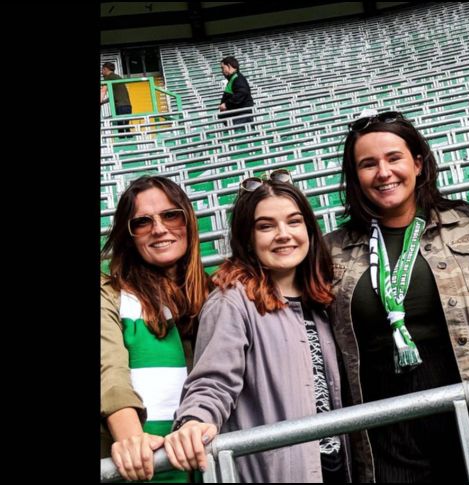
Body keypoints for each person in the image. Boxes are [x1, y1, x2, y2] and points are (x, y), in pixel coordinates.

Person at [325, 110, 469, 482]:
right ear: (355, 178)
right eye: (368, 164)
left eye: (394, 158)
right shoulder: (331, 251)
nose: (383, 172)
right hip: (385, 427)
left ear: (419, 163)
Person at [164, 170, 351, 483]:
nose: (283, 234)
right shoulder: (231, 301)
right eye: (266, 226)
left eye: (294, 221)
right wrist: (195, 420)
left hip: (335, 468)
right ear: (247, 239)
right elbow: (213, 381)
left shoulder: (321, 300)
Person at [101, 175, 210, 482]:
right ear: (128, 235)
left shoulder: (216, 293)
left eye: (170, 215)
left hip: (212, 466)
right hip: (143, 470)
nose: (159, 229)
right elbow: (109, 371)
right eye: (142, 222)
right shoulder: (109, 295)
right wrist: (131, 440)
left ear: (188, 220)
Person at [218, 55, 255, 126]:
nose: (222, 71)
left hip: (241, 117)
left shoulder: (237, 78)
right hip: (238, 117)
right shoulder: (233, 78)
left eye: (223, 68)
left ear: (229, 66)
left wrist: (226, 104)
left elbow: (242, 93)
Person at [101, 62, 133, 136]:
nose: (101, 72)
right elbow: (114, 95)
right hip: (127, 106)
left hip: (120, 107)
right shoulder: (117, 77)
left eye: (102, 70)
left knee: (121, 130)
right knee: (126, 128)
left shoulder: (108, 77)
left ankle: (125, 144)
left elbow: (103, 91)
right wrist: (103, 102)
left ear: (105, 69)